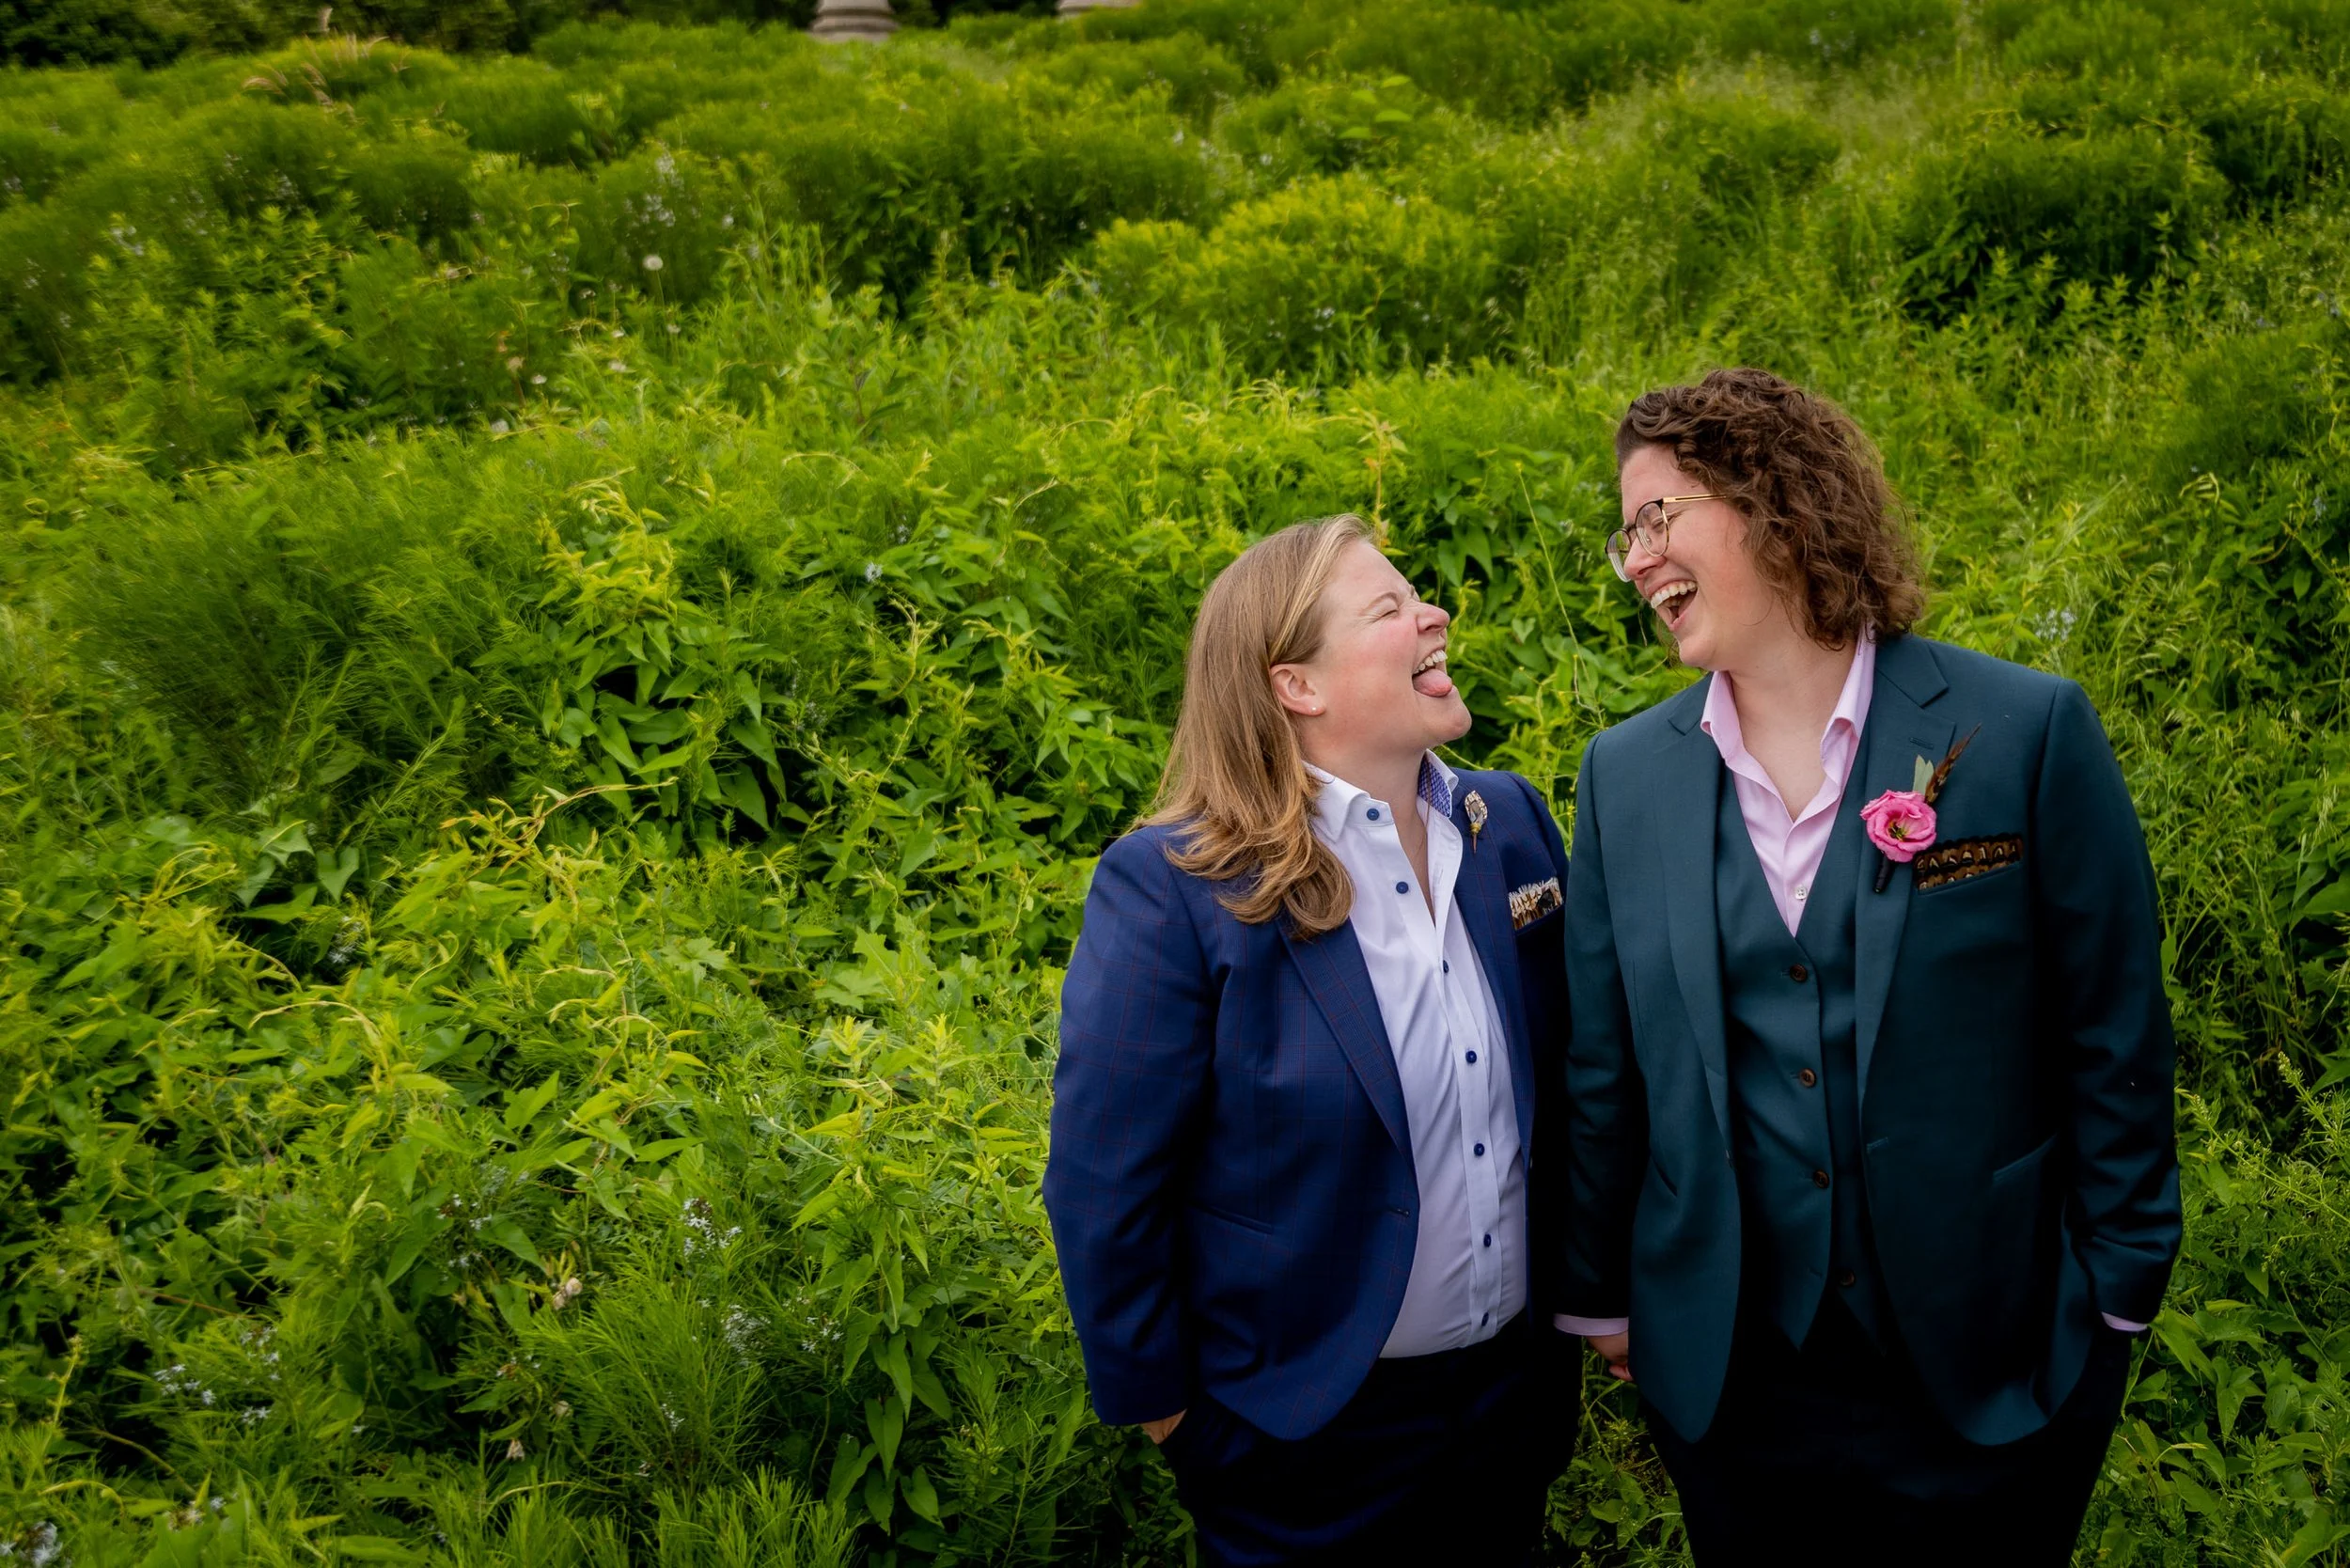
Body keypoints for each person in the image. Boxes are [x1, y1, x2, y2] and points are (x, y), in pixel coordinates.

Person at [1558, 368, 2180, 1565]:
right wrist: (1601, 1297)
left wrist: (2114, 1298)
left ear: (1772, 500)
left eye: (1656, 517)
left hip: (1996, 1353)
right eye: (1622, 533)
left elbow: (2113, 1029)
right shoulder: (1621, 778)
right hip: (1732, 1380)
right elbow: (1604, 1062)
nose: (1632, 559)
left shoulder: (2022, 731)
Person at [1043, 513, 1575, 1566]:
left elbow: (1572, 1083)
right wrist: (1176, 1420)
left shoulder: (1505, 822)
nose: (1434, 612)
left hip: (1509, 1410)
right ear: (1298, 686)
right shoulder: (1175, 887)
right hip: (1301, 1435)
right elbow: (1104, 1183)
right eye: (1389, 608)